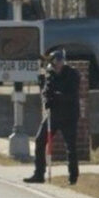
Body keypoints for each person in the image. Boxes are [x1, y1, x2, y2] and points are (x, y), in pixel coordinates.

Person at [24, 50, 81, 185]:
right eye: (56, 61)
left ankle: (73, 178)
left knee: (71, 147)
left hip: (69, 115)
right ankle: (39, 174)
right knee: (40, 140)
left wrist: (56, 96)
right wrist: (46, 98)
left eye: (60, 60)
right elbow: (46, 91)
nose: (58, 63)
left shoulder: (72, 74)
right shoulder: (50, 74)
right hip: (54, 115)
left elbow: (71, 95)